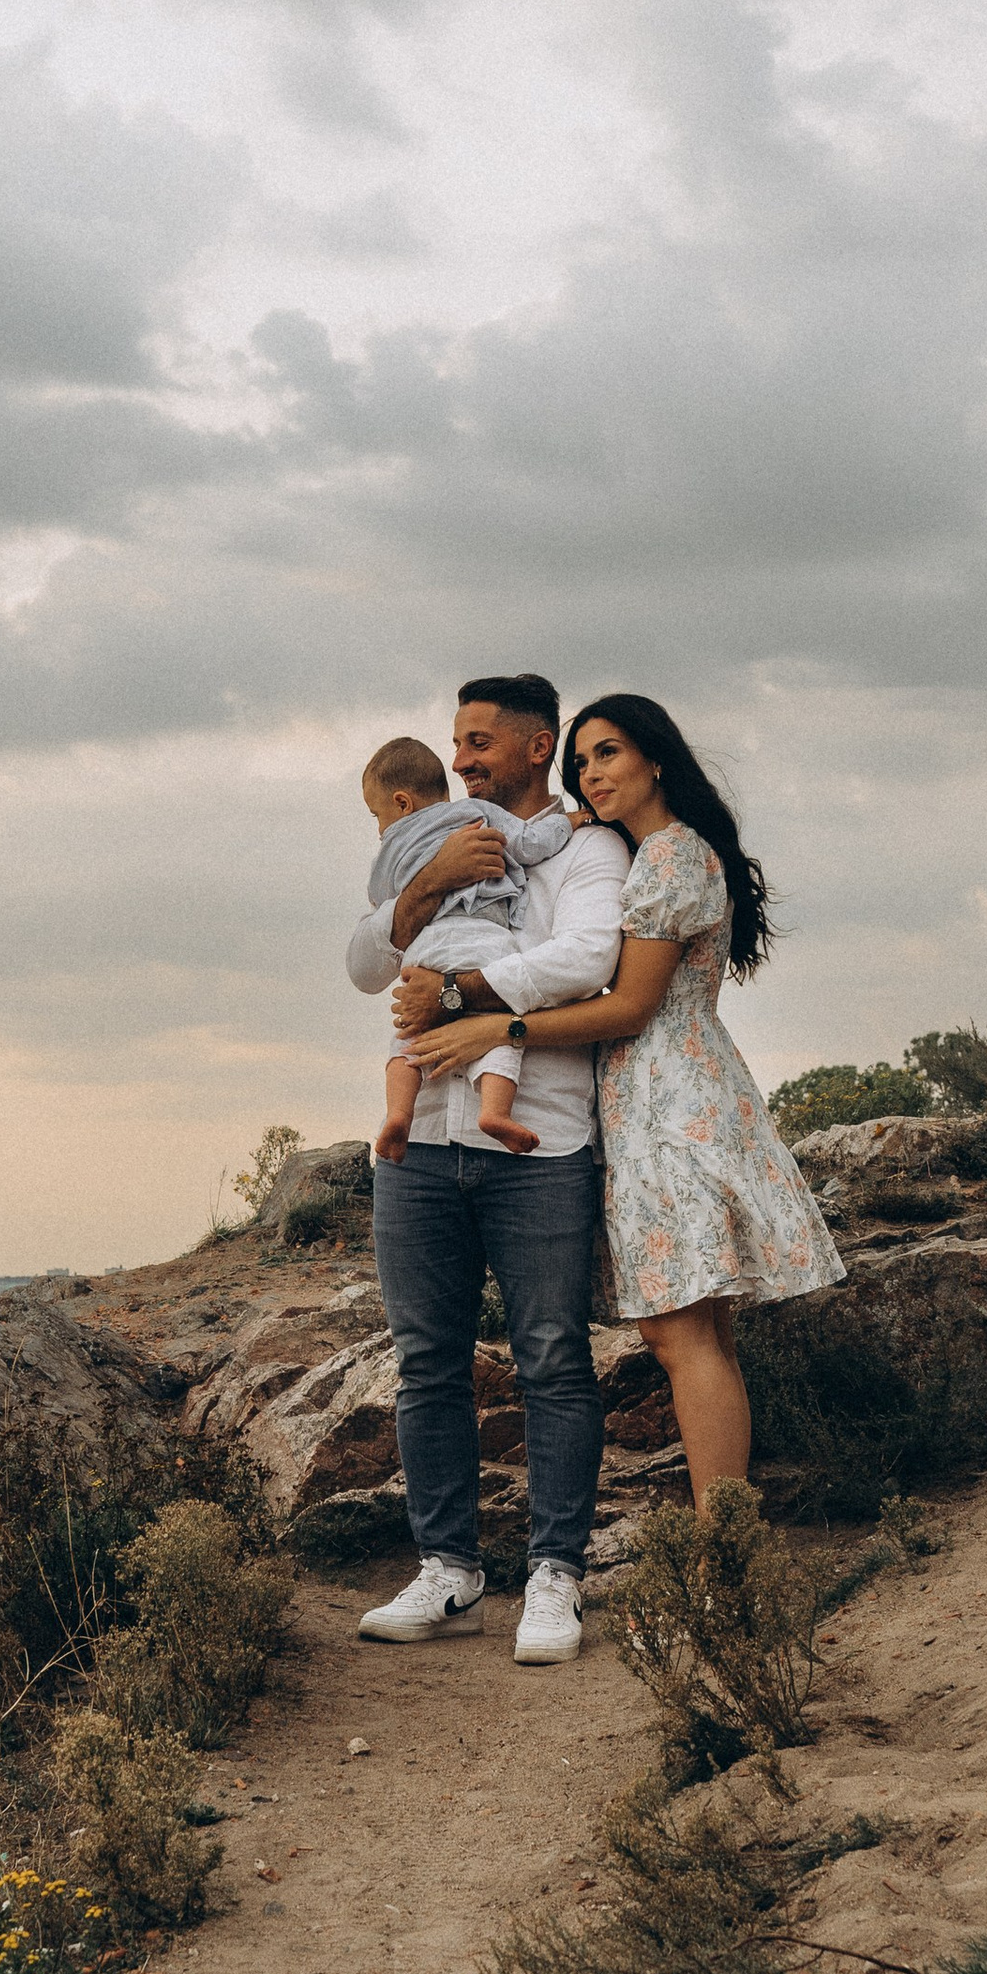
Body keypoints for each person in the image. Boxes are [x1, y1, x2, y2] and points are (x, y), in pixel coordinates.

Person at [407, 692, 841, 1500]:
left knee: (680, 1337)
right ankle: (727, 1534)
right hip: (671, 1094)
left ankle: (720, 1546)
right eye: (581, 762)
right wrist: (573, 824)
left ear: (657, 758)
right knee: (699, 1332)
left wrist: (502, 1028)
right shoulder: (661, 853)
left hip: (670, 1105)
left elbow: (633, 1006)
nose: (590, 774)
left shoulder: (670, 859)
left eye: (607, 753)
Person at [344, 675, 631, 1667]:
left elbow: (588, 958)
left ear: (536, 745)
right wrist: (428, 885)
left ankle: (555, 1574)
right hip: (419, 1139)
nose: (459, 759)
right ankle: (449, 1572)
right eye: (456, 741)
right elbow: (364, 964)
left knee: (552, 1357)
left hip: (538, 1141)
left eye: (477, 742)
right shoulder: (431, 841)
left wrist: (463, 995)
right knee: (426, 1363)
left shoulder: (587, 848)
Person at [360, 735, 576, 1163]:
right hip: (485, 941)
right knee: (497, 1033)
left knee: (408, 1035)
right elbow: (531, 843)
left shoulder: (388, 850)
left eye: (376, 815)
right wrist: (571, 822)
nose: (380, 827)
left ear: (402, 803)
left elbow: (379, 902)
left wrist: (416, 886)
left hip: (425, 950)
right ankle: (494, 1112)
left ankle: (399, 1114)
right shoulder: (475, 815)